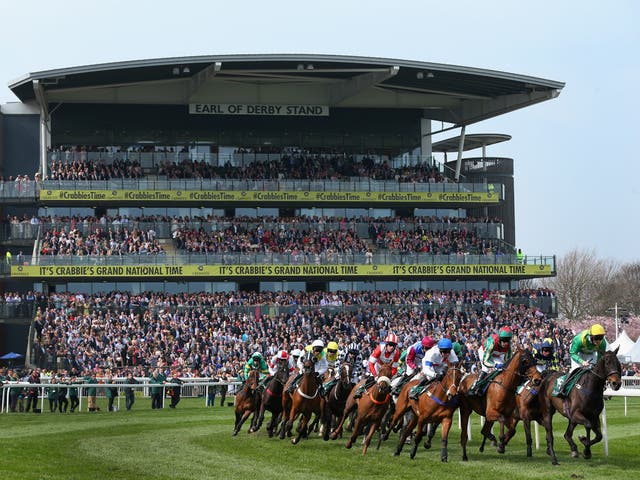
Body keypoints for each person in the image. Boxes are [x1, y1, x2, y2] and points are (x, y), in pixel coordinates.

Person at [558, 324, 607, 398]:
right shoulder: (579, 339)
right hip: (577, 353)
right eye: (596, 338)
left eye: (601, 338)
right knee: (574, 371)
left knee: (594, 372)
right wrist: (581, 362)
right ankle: (563, 388)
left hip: (591, 353)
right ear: (591, 336)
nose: (598, 341)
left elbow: (600, 357)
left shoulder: (603, 343)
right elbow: (572, 353)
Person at [469, 326, 514, 395]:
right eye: (504, 340)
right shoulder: (492, 342)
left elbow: (508, 360)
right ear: (499, 339)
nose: (506, 343)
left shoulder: (509, 346)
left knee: (503, 369)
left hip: (497, 354)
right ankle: (476, 386)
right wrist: (494, 365)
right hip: (484, 352)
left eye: (508, 340)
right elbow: (485, 361)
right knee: (486, 368)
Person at [356, 333, 400, 397]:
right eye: (390, 345)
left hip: (387, 369)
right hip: (377, 366)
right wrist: (375, 376)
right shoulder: (379, 349)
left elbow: (394, 369)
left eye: (394, 345)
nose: (392, 347)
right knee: (371, 379)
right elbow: (371, 364)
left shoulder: (396, 353)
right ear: (386, 344)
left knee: (392, 384)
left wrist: (389, 377)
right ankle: (360, 390)